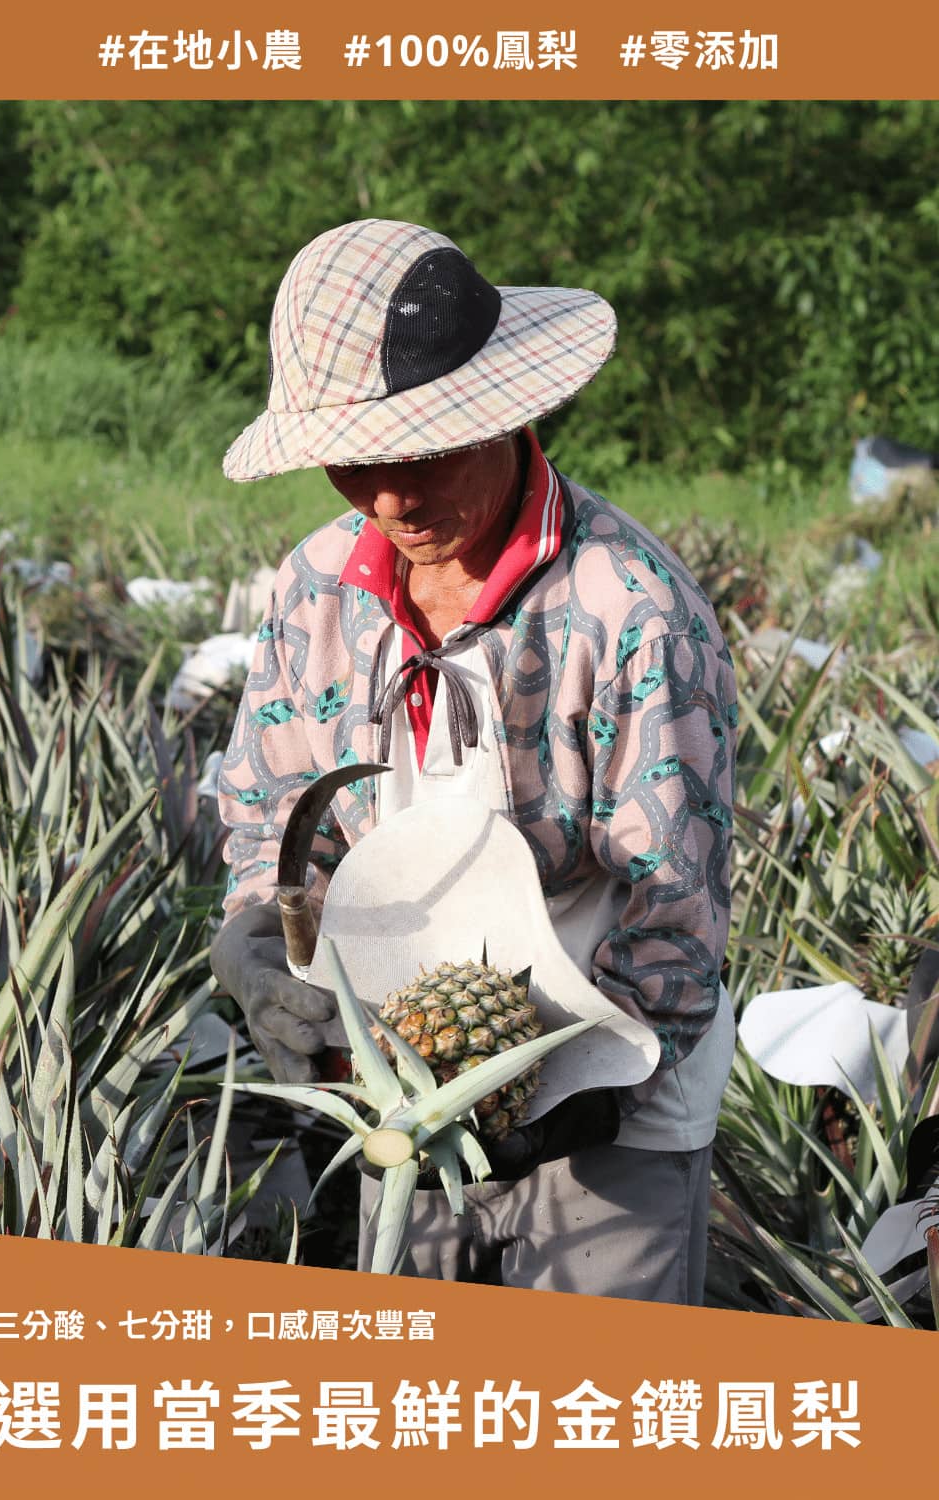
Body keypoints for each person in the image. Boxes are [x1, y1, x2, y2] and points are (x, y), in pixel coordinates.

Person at [211, 218, 738, 1302]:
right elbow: (271, 815)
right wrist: (261, 944)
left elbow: (672, 901)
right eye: (354, 462)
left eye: (422, 453)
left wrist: (564, 1095)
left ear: (511, 413)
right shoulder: (314, 589)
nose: (390, 501)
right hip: (401, 1075)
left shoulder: (629, 611)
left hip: (613, 1084)